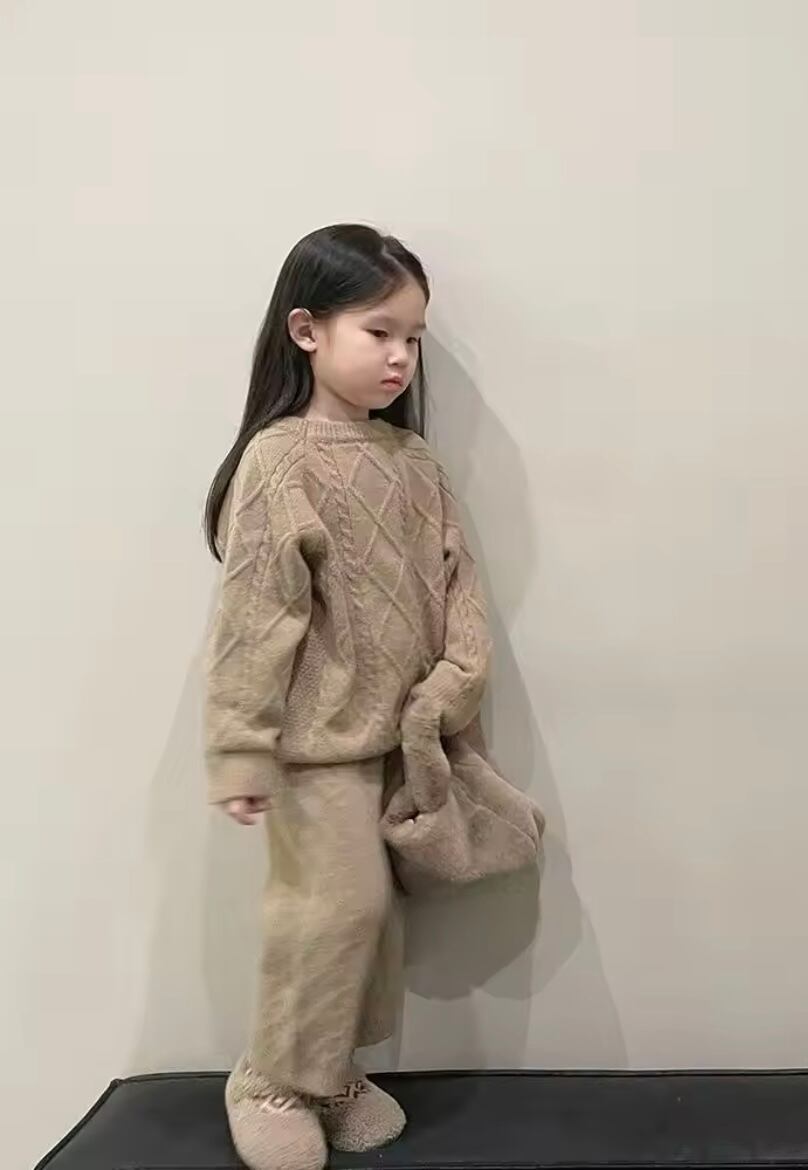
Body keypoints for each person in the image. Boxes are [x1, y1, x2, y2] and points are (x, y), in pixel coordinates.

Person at [201, 224, 485, 1170]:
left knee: (378, 927)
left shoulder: (417, 465)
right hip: (315, 746)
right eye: (379, 331)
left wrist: (455, 684)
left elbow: (460, 586)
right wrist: (240, 747)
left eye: (413, 338)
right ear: (307, 330)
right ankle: (271, 1079)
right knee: (333, 912)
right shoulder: (279, 462)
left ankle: (331, 1075)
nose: (401, 356)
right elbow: (255, 617)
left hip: (404, 741)